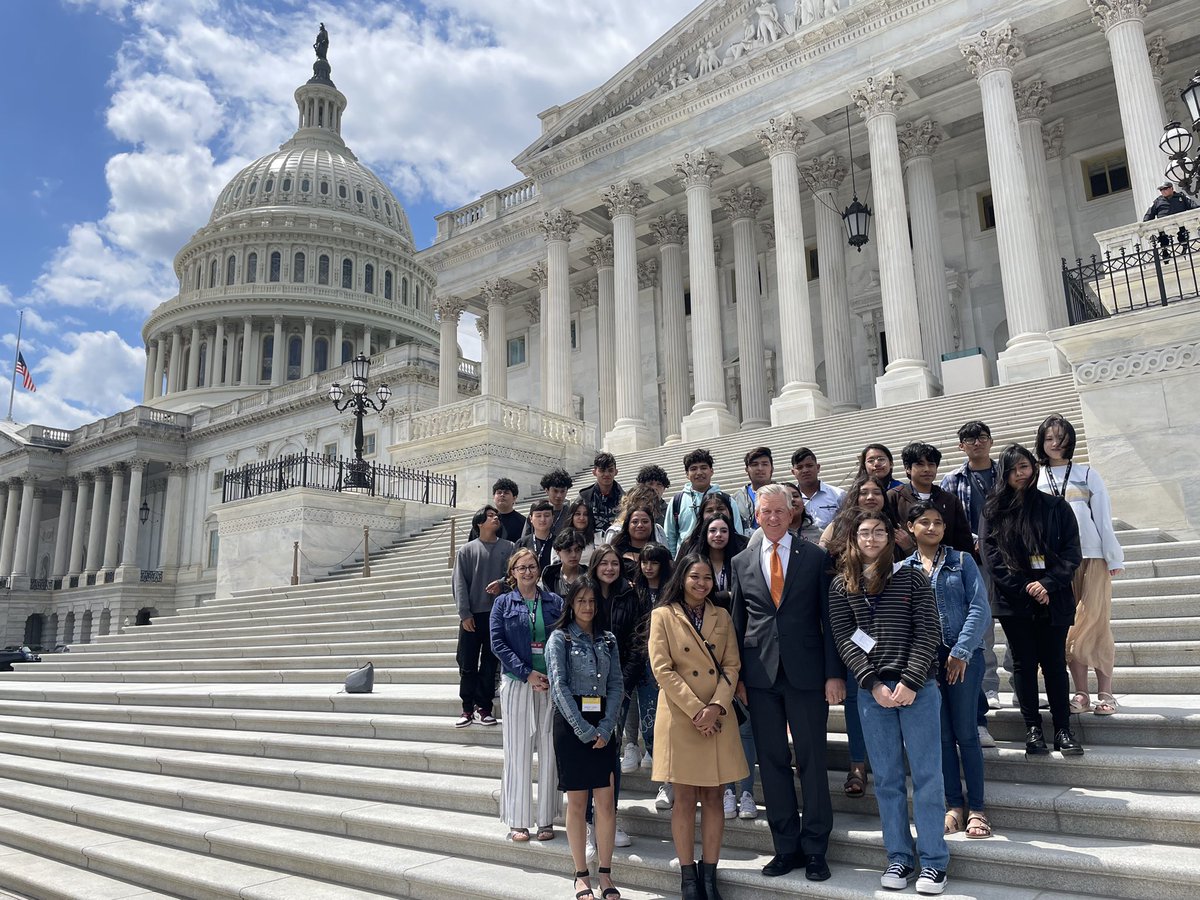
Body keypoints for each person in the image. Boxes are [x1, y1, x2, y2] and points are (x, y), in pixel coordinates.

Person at [829, 509, 948, 895]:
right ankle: (899, 857)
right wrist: (873, 683)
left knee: (928, 778)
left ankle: (933, 862)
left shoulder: (912, 576)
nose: (872, 538)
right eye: (864, 532)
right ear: (853, 538)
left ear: (891, 538)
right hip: (872, 693)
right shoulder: (841, 586)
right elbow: (845, 639)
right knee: (888, 781)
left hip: (919, 689)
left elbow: (928, 630)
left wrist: (911, 680)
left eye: (879, 531)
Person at [730, 483, 841, 882]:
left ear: (792, 513)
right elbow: (738, 621)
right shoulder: (741, 561)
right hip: (760, 677)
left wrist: (833, 673)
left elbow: (829, 622)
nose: (774, 518)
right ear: (756, 516)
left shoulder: (815, 557)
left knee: (811, 761)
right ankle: (785, 847)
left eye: (780, 511)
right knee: (772, 762)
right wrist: (738, 677)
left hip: (807, 674)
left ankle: (815, 848)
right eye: (766, 512)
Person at [649, 554, 748, 900]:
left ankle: (710, 876)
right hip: (680, 716)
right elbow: (662, 669)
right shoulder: (662, 615)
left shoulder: (721, 615)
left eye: (707, 577)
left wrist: (716, 707)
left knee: (715, 798)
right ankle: (688, 878)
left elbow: (732, 665)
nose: (702, 583)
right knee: (684, 799)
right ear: (682, 577)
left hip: (717, 717)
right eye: (695, 576)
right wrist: (696, 711)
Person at [981, 444, 1084, 757]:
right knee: (1024, 665)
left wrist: (1048, 584)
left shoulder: (1056, 507)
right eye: (1012, 470)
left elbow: (1071, 552)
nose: (1019, 474)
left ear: (1033, 467)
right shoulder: (994, 510)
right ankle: (1033, 728)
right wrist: (1026, 585)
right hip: (1015, 600)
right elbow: (992, 557)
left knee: (1054, 663)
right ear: (1004, 474)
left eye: (1024, 467)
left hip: (1054, 598)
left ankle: (1063, 729)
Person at [901, 502, 992, 841]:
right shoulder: (902, 569)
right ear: (911, 527)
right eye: (924, 522)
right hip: (924, 662)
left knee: (966, 732)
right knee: (940, 736)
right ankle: (954, 805)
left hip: (962, 656)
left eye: (938, 522)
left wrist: (961, 651)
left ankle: (978, 808)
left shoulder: (962, 560)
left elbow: (979, 607)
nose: (932, 528)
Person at [1035, 415, 1125, 717]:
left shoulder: (1087, 473)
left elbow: (1102, 517)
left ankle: (1106, 693)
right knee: (1068, 626)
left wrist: (1113, 557)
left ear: (1070, 440)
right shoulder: (1035, 476)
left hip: (1092, 555)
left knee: (1096, 623)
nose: (1055, 443)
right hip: (1055, 562)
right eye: (1049, 438)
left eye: (1060, 438)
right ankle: (1082, 693)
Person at [545, 580, 625, 900]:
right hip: (571, 724)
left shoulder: (608, 640)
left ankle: (605, 873)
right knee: (577, 803)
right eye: (581, 601)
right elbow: (559, 686)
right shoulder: (559, 639)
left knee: (606, 801)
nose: (588, 607)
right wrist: (584, 730)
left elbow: (617, 685)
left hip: (603, 724)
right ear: (571, 603)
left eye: (592, 601)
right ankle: (581, 875)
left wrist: (606, 728)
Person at [489, 547, 564, 841]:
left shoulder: (554, 601)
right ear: (513, 573)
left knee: (549, 750)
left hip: (549, 681)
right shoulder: (503, 603)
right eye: (521, 568)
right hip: (518, 681)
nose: (528, 572)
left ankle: (546, 818)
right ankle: (518, 820)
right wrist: (526, 673)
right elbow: (498, 644)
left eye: (532, 566)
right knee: (518, 749)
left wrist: (551, 674)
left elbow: (561, 637)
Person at [816, 474, 883, 799]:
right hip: (850, 631)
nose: (870, 496)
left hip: (888, 633)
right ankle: (857, 764)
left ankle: (874, 761)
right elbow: (821, 559)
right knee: (856, 699)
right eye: (863, 492)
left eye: (876, 492)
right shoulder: (838, 530)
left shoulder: (894, 531)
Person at [941, 420, 1004, 732]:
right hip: (975, 561)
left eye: (981, 437)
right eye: (969, 439)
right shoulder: (952, 480)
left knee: (1019, 625)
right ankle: (989, 687)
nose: (976, 443)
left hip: (1009, 560)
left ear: (990, 441)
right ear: (960, 446)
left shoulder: (1006, 474)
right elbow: (950, 523)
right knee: (983, 627)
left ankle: (1020, 686)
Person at [586, 544, 647, 851]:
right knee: (587, 750)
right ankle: (587, 822)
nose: (610, 568)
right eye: (604, 563)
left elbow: (639, 642)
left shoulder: (631, 596)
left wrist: (624, 683)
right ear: (595, 565)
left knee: (611, 753)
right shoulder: (583, 593)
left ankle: (608, 817)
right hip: (586, 687)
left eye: (614, 563)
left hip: (618, 687)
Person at [452, 506, 513, 728]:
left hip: (497, 616)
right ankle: (467, 708)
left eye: (496, 515)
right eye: (489, 515)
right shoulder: (466, 551)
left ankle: (484, 707)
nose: (495, 517)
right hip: (472, 616)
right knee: (467, 663)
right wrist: (464, 613)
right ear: (479, 523)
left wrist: (503, 584)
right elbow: (459, 583)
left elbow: (515, 577)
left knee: (489, 663)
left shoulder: (510, 547)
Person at [886, 442, 975, 555]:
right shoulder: (894, 496)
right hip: (904, 567)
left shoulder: (949, 500)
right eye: (920, 464)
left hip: (945, 566)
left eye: (931, 464)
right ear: (908, 469)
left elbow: (963, 539)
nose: (927, 469)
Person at [665, 449, 745, 555]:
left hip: (721, 558)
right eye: (693, 469)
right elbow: (670, 536)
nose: (699, 472)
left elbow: (737, 532)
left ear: (711, 471)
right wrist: (674, 561)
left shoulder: (727, 500)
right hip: (687, 560)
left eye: (703, 468)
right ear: (687, 474)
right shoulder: (677, 501)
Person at [678, 512, 748, 595]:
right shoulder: (694, 559)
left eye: (724, 531)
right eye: (712, 530)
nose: (718, 534)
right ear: (705, 533)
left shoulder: (740, 560)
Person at [604, 487, 668, 567]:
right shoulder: (615, 531)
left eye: (652, 502)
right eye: (645, 500)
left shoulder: (658, 529)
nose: (649, 505)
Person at [791, 447, 845, 530]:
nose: (805, 470)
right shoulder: (788, 498)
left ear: (818, 467)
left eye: (809, 466)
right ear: (793, 472)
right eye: (799, 467)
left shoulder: (838, 495)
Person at [580, 453, 625, 540]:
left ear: (616, 472)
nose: (606, 474)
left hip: (617, 544)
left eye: (610, 470)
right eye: (602, 470)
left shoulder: (625, 499)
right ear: (594, 472)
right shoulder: (584, 497)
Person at [730, 446, 774, 532]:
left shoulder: (783, 494)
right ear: (747, 469)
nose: (760, 468)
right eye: (754, 464)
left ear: (772, 468)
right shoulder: (736, 498)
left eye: (765, 464)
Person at [470, 478, 527, 542]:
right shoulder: (482, 519)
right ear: (493, 497)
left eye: (506, 493)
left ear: (514, 498)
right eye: (499, 492)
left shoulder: (523, 522)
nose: (502, 495)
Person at [527, 468, 573, 539]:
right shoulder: (537, 512)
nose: (559, 495)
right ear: (547, 490)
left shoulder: (571, 513)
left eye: (562, 491)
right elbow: (526, 539)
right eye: (555, 491)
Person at [542, 528, 588, 597]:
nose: (574, 555)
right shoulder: (550, 578)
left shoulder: (589, 576)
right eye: (568, 550)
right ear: (558, 552)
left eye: (577, 550)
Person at [517, 500, 556, 570]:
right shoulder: (522, 543)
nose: (542, 519)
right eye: (538, 516)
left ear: (553, 518)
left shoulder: (558, 543)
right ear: (531, 518)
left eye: (546, 515)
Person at [560, 499, 598, 567]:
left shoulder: (598, 537)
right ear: (571, 516)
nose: (581, 518)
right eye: (577, 514)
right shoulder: (561, 539)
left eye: (585, 514)